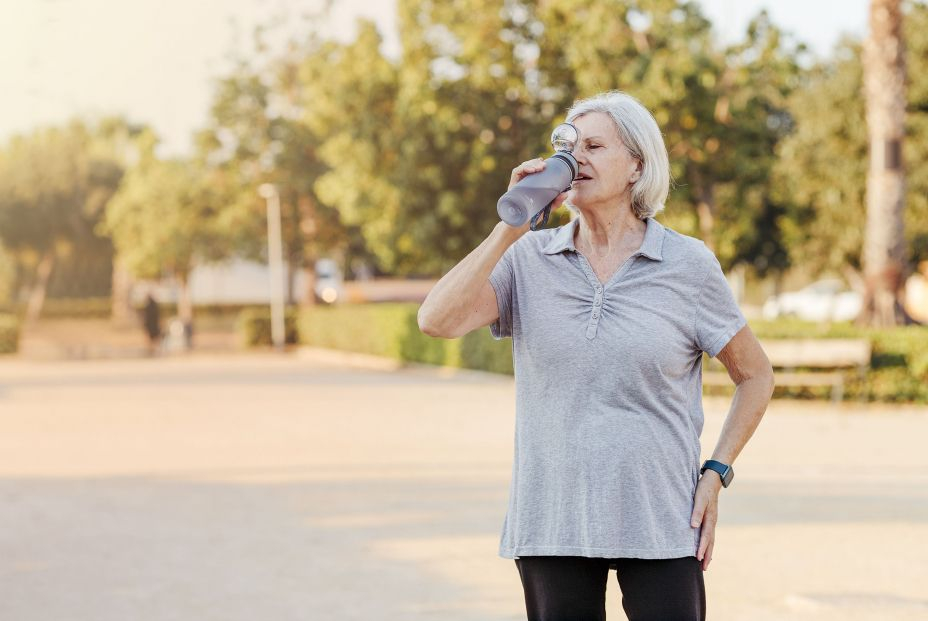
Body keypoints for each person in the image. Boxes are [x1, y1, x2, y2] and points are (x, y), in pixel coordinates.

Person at [418, 91, 775, 621]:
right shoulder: (529, 259)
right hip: (551, 520)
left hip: (660, 518)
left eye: (594, 145)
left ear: (636, 164)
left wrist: (716, 470)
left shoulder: (687, 263)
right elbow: (436, 320)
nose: (575, 156)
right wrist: (511, 224)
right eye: (567, 144)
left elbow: (756, 375)